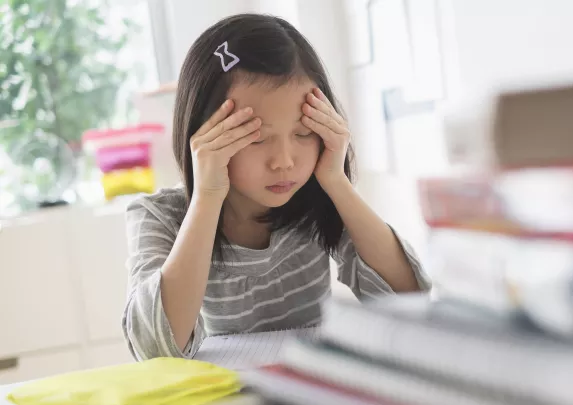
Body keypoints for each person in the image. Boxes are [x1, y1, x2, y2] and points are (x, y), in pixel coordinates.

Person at [122, 13, 430, 361]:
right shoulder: (160, 216)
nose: (284, 160)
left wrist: (336, 182)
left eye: (303, 134)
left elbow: (411, 299)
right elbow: (153, 348)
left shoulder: (316, 196)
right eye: (256, 139)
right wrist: (207, 196)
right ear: (203, 136)